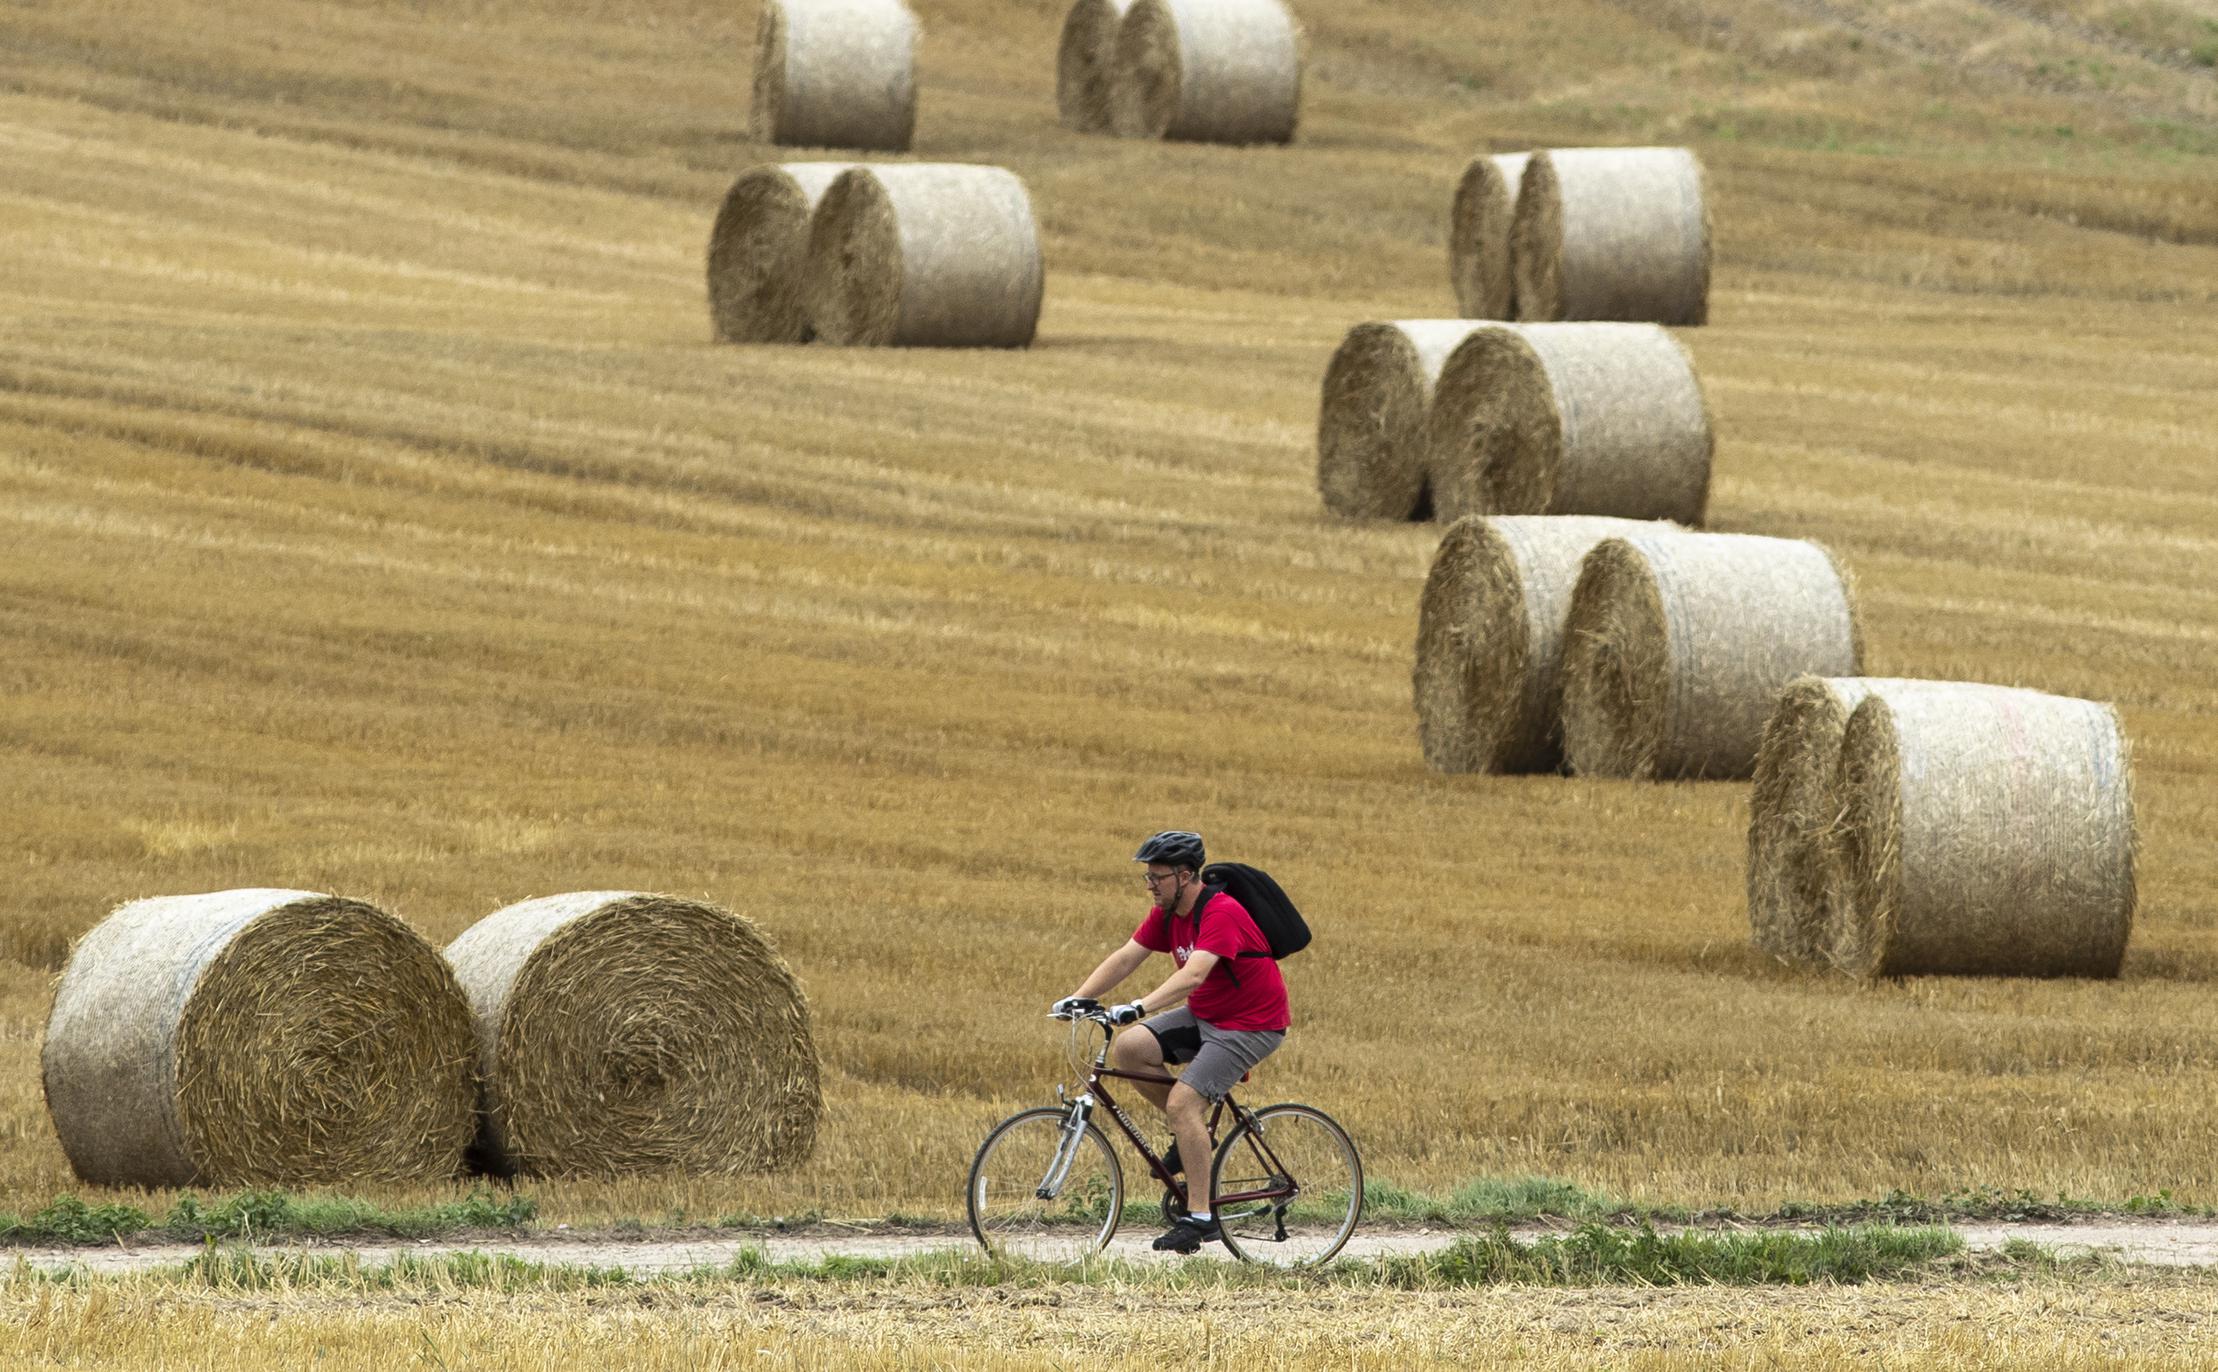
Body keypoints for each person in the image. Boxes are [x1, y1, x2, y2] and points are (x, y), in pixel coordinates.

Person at [1052, 830, 1289, 1254]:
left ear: (1184, 876)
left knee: (1183, 1104)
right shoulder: (1166, 914)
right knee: (1130, 1049)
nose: (1149, 885)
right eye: (1147, 877)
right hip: (1208, 1014)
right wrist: (1079, 997)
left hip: (1251, 1023)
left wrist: (1139, 1006)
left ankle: (1200, 1217)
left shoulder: (1221, 912)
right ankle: (1193, 1133)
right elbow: (1127, 955)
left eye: (1157, 877)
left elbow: (1193, 975)